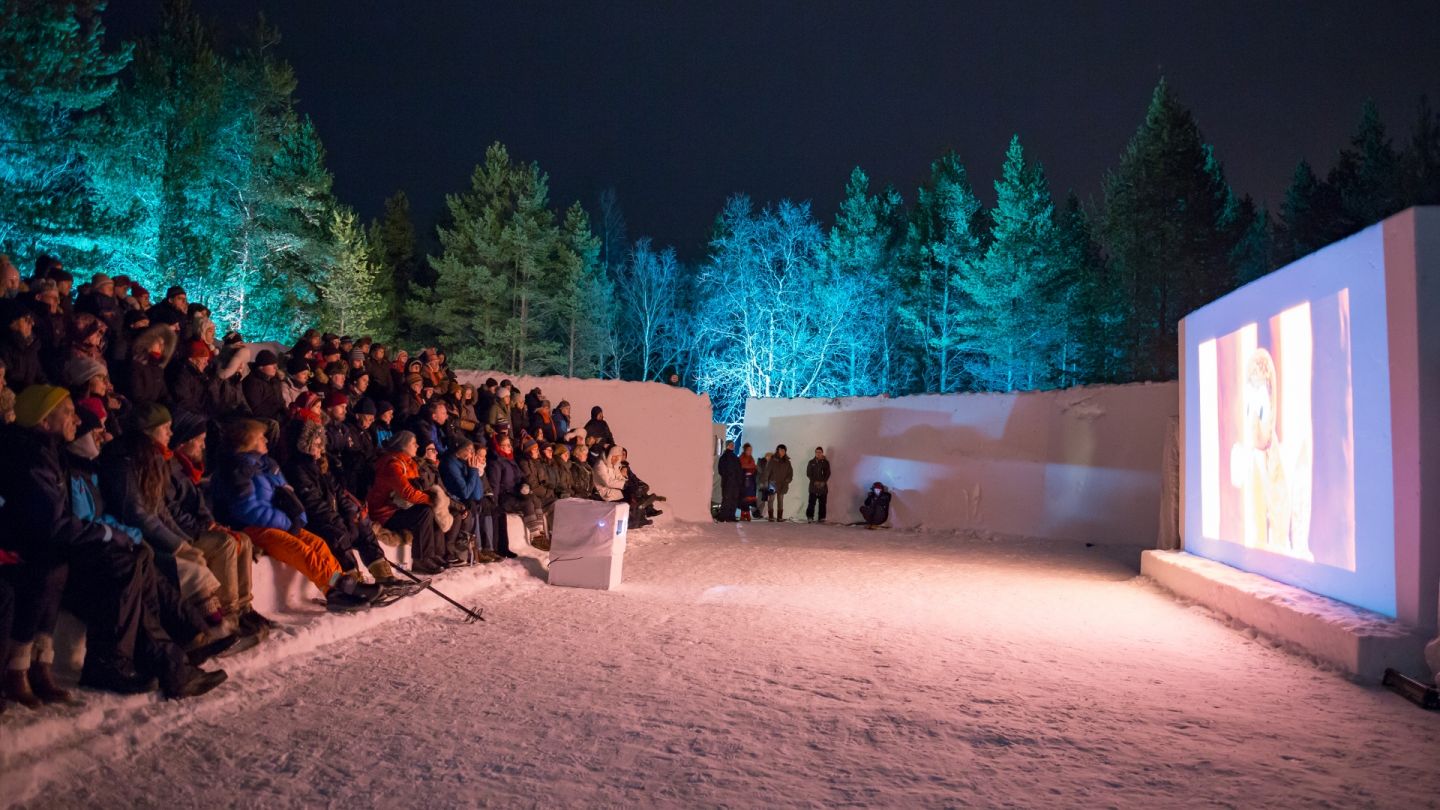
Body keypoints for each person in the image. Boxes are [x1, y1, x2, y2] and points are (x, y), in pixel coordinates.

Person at [211, 418, 379, 610]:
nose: (266, 441)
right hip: (252, 528)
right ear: (247, 440)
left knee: (319, 545)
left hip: (275, 523)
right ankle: (339, 587)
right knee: (302, 551)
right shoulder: (237, 469)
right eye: (260, 438)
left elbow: (286, 494)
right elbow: (247, 510)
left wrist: (296, 516)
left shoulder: (265, 465)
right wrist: (287, 521)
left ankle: (337, 587)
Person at [368, 430, 450, 574]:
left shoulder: (409, 463)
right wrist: (431, 500)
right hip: (385, 514)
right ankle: (420, 560)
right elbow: (408, 493)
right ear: (403, 445)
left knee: (431, 509)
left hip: (399, 509)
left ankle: (433, 554)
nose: (417, 445)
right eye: (413, 443)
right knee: (425, 511)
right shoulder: (392, 464)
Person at [761, 445, 793, 522]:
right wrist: (765, 481)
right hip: (773, 483)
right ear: (777, 450)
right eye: (780, 450)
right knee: (771, 499)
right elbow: (767, 471)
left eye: (783, 450)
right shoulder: (772, 460)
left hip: (783, 483)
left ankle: (779, 517)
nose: (782, 451)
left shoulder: (787, 462)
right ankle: (771, 517)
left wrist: (788, 480)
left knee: (780, 499)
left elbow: (790, 473)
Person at [716, 440, 741, 522]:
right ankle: (723, 517)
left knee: (733, 499)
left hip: (734, 482)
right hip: (728, 482)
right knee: (727, 499)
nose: (733, 446)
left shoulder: (735, 457)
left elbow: (739, 470)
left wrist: (738, 479)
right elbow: (721, 470)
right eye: (731, 445)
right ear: (727, 446)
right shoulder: (724, 457)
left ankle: (730, 516)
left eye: (733, 445)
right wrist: (728, 476)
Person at [805, 446, 831, 523]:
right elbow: (808, 473)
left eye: (819, 452)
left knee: (822, 503)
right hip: (813, 486)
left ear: (822, 453)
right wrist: (814, 481)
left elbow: (828, 473)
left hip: (823, 487)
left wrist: (824, 482)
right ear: (815, 453)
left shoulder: (826, 462)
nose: (818, 453)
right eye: (816, 452)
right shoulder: (811, 462)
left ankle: (822, 518)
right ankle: (810, 517)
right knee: (811, 503)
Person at [738, 443, 758, 521]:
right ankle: (743, 514)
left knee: (750, 498)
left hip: (751, 480)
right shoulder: (741, 458)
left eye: (751, 450)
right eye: (749, 450)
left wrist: (754, 469)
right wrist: (751, 467)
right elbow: (741, 467)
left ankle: (747, 514)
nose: (750, 451)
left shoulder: (751, 458)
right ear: (745, 450)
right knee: (744, 497)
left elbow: (753, 467)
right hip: (744, 480)